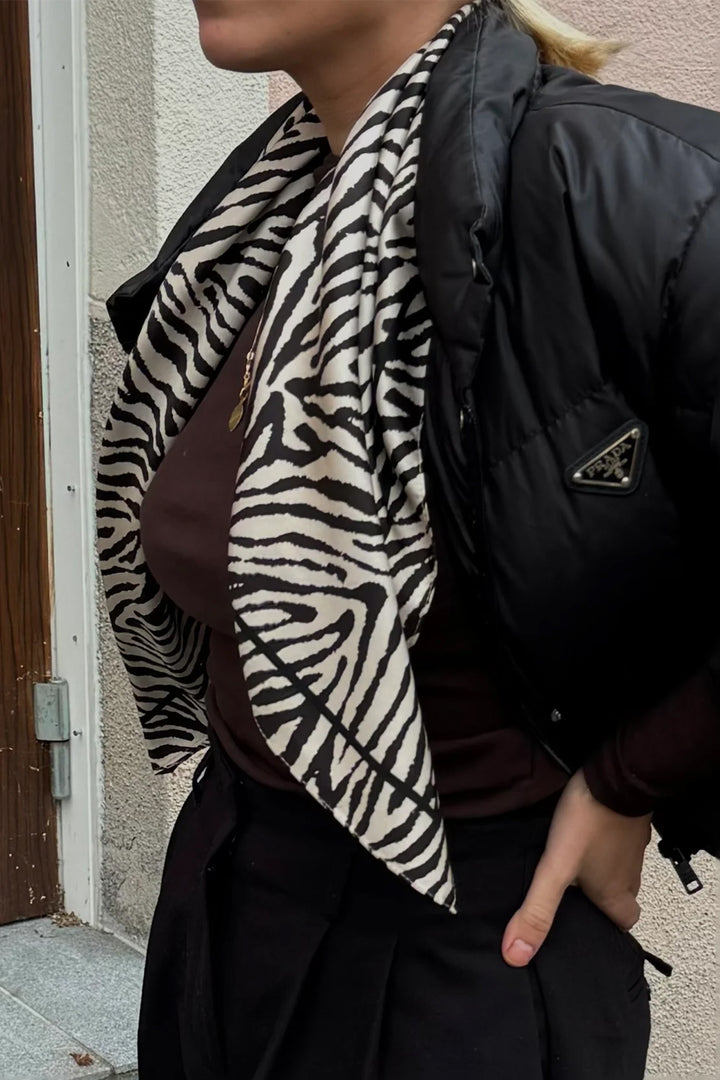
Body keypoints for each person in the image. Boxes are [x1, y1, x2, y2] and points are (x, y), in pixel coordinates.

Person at [97, 1, 720, 1076]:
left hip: (466, 954)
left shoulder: (632, 183)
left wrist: (634, 773)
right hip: (230, 898)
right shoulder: (259, 219)